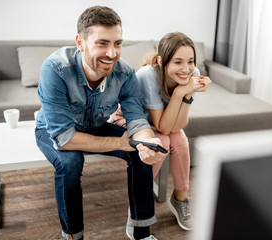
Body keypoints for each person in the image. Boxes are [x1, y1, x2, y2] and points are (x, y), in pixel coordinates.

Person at [35, 6, 164, 240]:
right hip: (53, 130)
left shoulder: (125, 73)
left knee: (140, 150)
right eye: (102, 43)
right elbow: (64, 139)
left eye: (118, 43)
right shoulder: (55, 69)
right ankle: (73, 236)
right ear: (80, 42)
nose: (112, 53)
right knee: (70, 162)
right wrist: (125, 143)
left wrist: (145, 142)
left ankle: (140, 232)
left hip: (93, 126)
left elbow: (136, 118)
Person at [111, 32, 211, 231]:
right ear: (161, 61)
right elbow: (163, 127)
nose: (186, 69)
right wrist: (183, 92)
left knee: (180, 138)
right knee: (162, 141)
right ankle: (140, 202)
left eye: (190, 61)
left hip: (157, 125)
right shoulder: (149, 75)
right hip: (128, 121)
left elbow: (177, 125)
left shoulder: (192, 74)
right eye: (178, 62)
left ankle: (180, 198)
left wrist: (186, 91)